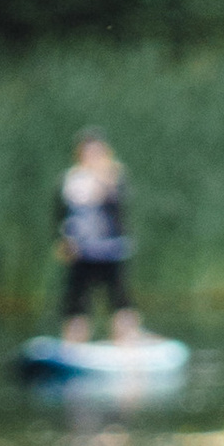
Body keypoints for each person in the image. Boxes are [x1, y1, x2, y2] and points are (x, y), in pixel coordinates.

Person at [53, 128, 140, 343]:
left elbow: (120, 210)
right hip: (81, 250)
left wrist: (105, 184)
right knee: (76, 297)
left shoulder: (114, 177)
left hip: (110, 248)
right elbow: (60, 213)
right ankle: (74, 341)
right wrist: (62, 240)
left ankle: (126, 340)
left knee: (118, 294)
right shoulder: (71, 180)